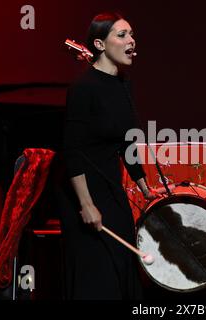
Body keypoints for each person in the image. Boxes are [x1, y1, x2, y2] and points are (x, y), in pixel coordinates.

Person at [57, 11, 158, 300]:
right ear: (100, 44)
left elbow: (126, 139)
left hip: (111, 187)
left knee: (122, 268)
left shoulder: (123, 83)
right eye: (122, 35)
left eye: (132, 34)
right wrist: (86, 205)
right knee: (97, 275)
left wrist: (142, 185)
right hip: (83, 190)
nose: (132, 41)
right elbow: (72, 150)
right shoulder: (82, 88)